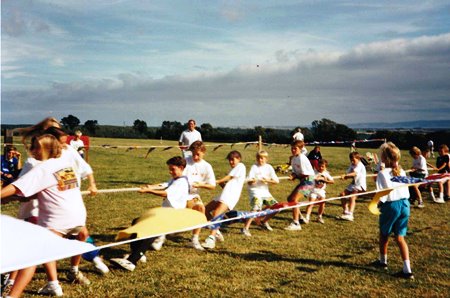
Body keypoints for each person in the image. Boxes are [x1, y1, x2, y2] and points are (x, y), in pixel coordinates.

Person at [1, 134, 90, 297]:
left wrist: (5, 195)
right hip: (77, 218)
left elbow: (15, 187)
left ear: (44, 149)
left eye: (35, 146)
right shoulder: (64, 165)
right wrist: (11, 198)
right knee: (39, 252)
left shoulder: (43, 168)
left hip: (58, 220)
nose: (31, 149)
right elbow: (49, 191)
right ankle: (55, 282)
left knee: (30, 258)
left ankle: (11, 295)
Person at [110, 156, 190, 271]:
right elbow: (164, 184)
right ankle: (137, 254)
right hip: (165, 213)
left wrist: (148, 191)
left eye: (172, 169)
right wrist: (151, 186)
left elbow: (165, 193)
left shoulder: (181, 182)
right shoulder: (176, 179)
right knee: (136, 222)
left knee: (151, 231)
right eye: (169, 169)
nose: (170, 172)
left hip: (173, 216)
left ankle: (132, 261)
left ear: (181, 167)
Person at [371, 142, 414, 279]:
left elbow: (383, 193)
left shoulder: (382, 173)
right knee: (400, 237)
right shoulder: (401, 170)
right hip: (405, 205)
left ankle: (383, 262)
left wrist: (376, 204)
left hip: (391, 206)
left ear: (384, 158)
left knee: (384, 235)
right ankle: (407, 270)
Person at [202, 151, 246, 249]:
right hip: (224, 194)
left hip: (230, 195)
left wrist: (217, 181)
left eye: (233, 159)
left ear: (239, 159)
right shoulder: (235, 170)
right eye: (230, 160)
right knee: (205, 210)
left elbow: (229, 177)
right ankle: (216, 231)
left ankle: (211, 238)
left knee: (217, 212)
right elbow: (229, 183)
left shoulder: (241, 166)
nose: (231, 162)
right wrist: (222, 184)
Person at [183, 141, 216, 250]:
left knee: (201, 209)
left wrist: (201, 184)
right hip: (180, 194)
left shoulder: (207, 166)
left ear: (203, 152)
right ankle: (160, 237)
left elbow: (212, 185)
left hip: (193, 196)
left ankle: (194, 239)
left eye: (198, 154)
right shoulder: (185, 162)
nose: (195, 157)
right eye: (193, 154)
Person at [241, 151, 279, 237]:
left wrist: (267, 180)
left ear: (266, 159)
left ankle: (263, 221)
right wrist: (252, 181)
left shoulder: (269, 167)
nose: (260, 160)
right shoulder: (254, 167)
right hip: (254, 190)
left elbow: (276, 181)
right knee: (255, 208)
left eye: (262, 158)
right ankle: (245, 228)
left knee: (276, 206)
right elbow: (248, 181)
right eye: (258, 158)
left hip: (264, 191)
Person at [285, 140, 315, 231]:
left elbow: (305, 174)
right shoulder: (293, 159)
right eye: (292, 148)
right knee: (290, 199)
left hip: (309, 182)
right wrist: (293, 175)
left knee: (294, 200)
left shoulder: (302, 158)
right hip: (303, 181)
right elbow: (295, 172)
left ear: (301, 149)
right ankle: (301, 218)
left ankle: (296, 223)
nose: (293, 150)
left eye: (295, 149)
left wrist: (295, 176)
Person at [336, 151, 367, 222]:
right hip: (353, 184)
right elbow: (349, 173)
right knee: (342, 195)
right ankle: (346, 211)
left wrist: (346, 176)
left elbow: (354, 173)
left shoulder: (360, 165)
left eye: (353, 160)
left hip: (360, 185)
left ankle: (350, 214)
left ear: (358, 159)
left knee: (352, 197)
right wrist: (345, 176)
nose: (352, 162)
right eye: (351, 160)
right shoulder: (352, 164)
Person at [303, 159, 334, 224]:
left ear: (325, 167)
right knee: (311, 203)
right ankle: (307, 218)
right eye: (319, 166)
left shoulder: (326, 173)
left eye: (322, 166)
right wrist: (305, 191)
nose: (320, 168)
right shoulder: (313, 172)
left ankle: (319, 217)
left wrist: (326, 181)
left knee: (322, 203)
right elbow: (308, 181)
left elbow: (332, 181)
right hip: (313, 191)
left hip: (321, 191)